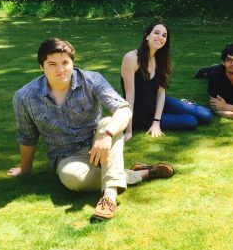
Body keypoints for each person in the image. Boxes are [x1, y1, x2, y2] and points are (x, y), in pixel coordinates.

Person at [10, 38, 175, 221]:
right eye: (52, 64)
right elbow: (27, 137)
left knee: (108, 123)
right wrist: (25, 170)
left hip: (99, 143)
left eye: (65, 62)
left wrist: (107, 134)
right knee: (73, 180)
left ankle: (109, 198)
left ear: (73, 63)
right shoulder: (24, 97)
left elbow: (123, 109)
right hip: (66, 155)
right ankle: (142, 173)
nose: (60, 69)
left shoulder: (92, 80)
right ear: (42, 67)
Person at [121, 20, 212, 140]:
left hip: (160, 102)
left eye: (164, 35)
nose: (160, 37)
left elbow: (161, 92)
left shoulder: (160, 60)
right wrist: (129, 131)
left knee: (206, 115)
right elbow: (129, 97)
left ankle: (187, 105)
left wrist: (157, 121)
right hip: (142, 116)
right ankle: (183, 108)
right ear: (147, 35)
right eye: (156, 33)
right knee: (191, 121)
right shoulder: (132, 58)